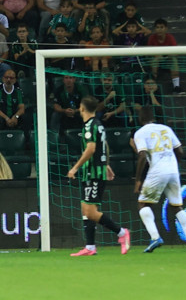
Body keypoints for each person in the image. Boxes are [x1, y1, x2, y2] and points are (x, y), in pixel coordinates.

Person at [67, 96, 130, 256]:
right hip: (95, 170)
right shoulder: (98, 125)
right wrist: (107, 164)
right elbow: (103, 146)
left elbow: (91, 149)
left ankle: (121, 232)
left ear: (81, 108)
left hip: (92, 172)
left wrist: (75, 168)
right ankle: (90, 247)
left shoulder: (90, 126)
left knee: (90, 212)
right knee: (85, 209)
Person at [132, 106, 186, 253]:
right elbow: (180, 150)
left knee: (143, 204)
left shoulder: (140, 133)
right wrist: (173, 165)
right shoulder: (166, 129)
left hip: (157, 170)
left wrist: (138, 180)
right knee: (176, 206)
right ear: (153, 118)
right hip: (173, 170)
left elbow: (142, 155)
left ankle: (155, 237)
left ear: (140, 118)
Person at [147, 19, 184, 95]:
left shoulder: (170, 37)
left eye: (161, 27)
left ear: (166, 28)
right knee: (154, 61)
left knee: (174, 60)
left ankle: (176, 86)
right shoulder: (151, 38)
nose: (159, 29)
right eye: (157, 27)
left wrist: (165, 55)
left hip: (167, 60)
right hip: (156, 60)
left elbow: (176, 53)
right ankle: (154, 87)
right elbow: (149, 53)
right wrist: (157, 56)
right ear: (155, 29)